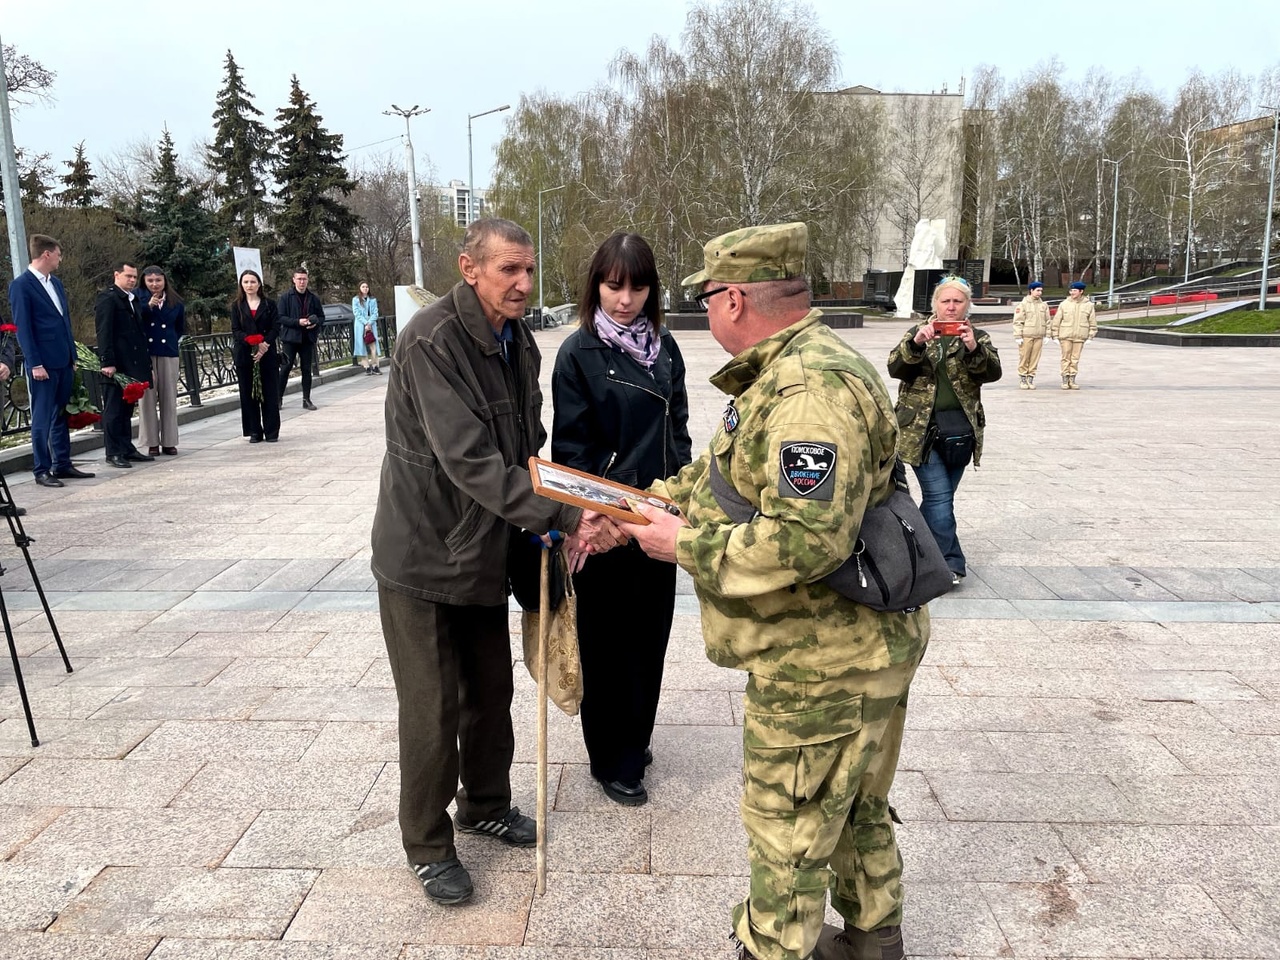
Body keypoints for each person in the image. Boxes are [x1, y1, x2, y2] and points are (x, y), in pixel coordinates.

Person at [618, 223, 931, 960]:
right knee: (852, 807)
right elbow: (723, 479)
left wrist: (679, 545)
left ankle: (772, 951)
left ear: (733, 299)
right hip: (853, 647)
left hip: (825, 658)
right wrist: (641, 505)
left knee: (787, 824)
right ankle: (872, 940)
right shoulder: (787, 370)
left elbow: (806, 539)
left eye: (709, 298)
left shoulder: (806, 394)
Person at [370, 217, 624, 907]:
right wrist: (566, 513)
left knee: (489, 692)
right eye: (508, 270)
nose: (522, 283)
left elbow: (526, 454)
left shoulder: (519, 345)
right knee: (432, 707)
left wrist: (569, 509)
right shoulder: (430, 341)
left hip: (485, 547)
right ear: (470, 268)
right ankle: (426, 844)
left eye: (529, 270)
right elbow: (471, 461)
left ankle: (482, 803)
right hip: (424, 553)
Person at [550, 232, 692, 807]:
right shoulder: (578, 353)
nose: (625, 298)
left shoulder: (666, 349)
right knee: (608, 644)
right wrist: (593, 518)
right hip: (605, 523)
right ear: (596, 286)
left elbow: (678, 434)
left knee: (649, 638)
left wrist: (679, 500)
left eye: (637, 286)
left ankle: (635, 737)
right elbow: (573, 451)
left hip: (656, 519)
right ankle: (612, 756)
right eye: (614, 285)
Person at [887, 276, 1002, 585]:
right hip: (921, 431)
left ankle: (911, 552)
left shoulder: (978, 336)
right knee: (939, 498)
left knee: (941, 498)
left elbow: (992, 373)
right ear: (935, 304)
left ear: (967, 305)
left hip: (960, 433)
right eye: (945, 301)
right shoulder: (917, 333)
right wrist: (916, 344)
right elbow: (895, 367)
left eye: (957, 301)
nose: (951, 307)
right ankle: (949, 564)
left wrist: (972, 347)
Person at [6, 234, 95, 487]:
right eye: (58, 254)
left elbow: (64, 321)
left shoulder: (55, 284)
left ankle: (63, 464)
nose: (60, 259)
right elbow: (23, 328)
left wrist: (73, 355)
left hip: (63, 360)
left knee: (60, 415)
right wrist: (35, 364)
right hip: (42, 365)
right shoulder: (22, 285)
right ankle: (41, 469)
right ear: (46, 254)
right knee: (42, 417)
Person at [94, 261, 155, 469]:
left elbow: (138, 332)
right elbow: (104, 332)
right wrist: (107, 362)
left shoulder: (133, 299)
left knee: (127, 408)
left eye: (134, 277)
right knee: (113, 410)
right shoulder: (108, 298)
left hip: (132, 363)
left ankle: (127, 448)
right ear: (116, 274)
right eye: (128, 276)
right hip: (116, 365)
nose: (132, 280)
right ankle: (113, 452)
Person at [138, 266, 186, 455]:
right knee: (147, 399)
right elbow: (136, 321)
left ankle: (169, 441)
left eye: (158, 280)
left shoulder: (176, 301)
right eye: (150, 281)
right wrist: (148, 306)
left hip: (168, 352)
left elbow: (180, 327)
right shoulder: (137, 299)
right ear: (144, 282)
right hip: (146, 353)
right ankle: (151, 442)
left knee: (168, 397)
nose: (154, 284)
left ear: (165, 281)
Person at [230, 270, 282, 443]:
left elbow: (276, 327)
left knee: (269, 393)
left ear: (259, 284)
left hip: (267, 354)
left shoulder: (269, 304)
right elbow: (236, 330)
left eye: (253, 282)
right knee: (248, 394)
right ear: (241, 285)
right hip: (245, 355)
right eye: (246, 282)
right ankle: (254, 431)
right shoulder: (236, 306)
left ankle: (272, 431)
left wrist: (264, 345)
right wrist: (250, 342)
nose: (249, 285)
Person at [277, 267, 322, 410]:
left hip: (307, 339)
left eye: (304, 279)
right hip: (290, 339)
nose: (302, 282)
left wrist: (314, 323)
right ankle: (278, 399)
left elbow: (321, 317)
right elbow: (280, 317)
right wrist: (297, 322)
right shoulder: (285, 297)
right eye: (299, 279)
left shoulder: (313, 298)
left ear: (307, 280)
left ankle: (306, 399)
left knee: (306, 369)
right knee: (285, 369)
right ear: (294, 280)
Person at [1051, 280, 1097, 389]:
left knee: (1075, 358)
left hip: (1080, 336)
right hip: (1065, 335)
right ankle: (1065, 379)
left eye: (1074, 291)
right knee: (1065, 358)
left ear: (1081, 291)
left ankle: (1072, 379)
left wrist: (1091, 335)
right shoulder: (1064, 304)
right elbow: (1057, 320)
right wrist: (1055, 335)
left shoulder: (1088, 305)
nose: (1072, 293)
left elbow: (1092, 322)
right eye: (1071, 290)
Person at [1012, 280, 1050, 390]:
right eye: (1037, 290)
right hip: (1027, 335)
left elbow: (1048, 321)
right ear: (1031, 291)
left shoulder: (1043, 305)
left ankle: (1031, 377)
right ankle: (1023, 378)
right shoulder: (1023, 305)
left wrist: (1047, 334)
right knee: (1024, 357)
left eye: (1041, 291)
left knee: (1035, 358)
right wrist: (1018, 336)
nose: (1039, 293)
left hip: (1039, 336)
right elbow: (1018, 321)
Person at [353, 281, 381, 375]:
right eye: (363, 287)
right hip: (360, 325)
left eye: (367, 287)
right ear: (360, 288)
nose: (365, 288)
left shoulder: (372, 300)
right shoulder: (356, 300)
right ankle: (366, 366)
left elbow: (375, 313)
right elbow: (356, 313)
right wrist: (365, 323)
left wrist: (369, 323)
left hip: (371, 324)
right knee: (361, 345)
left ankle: (375, 365)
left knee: (373, 345)